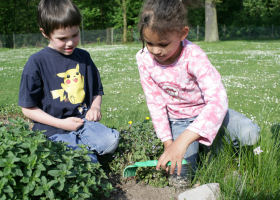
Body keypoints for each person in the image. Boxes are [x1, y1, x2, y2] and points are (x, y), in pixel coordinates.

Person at [136, 0, 260, 188]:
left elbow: (217, 100)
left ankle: (219, 150)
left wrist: (184, 140)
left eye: (163, 44)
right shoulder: (144, 59)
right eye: (149, 43)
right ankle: (205, 148)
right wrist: (169, 143)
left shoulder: (193, 56)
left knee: (250, 134)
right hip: (179, 121)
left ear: (183, 33)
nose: (155, 50)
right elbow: (155, 103)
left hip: (208, 115)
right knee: (180, 178)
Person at [18, 0, 119, 163]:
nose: (70, 42)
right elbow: (27, 108)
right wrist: (62, 124)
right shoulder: (37, 62)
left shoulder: (84, 57)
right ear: (45, 33)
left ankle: (83, 148)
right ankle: (85, 154)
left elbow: (97, 91)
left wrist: (95, 107)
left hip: (83, 123)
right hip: (52, 129)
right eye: (63, 38)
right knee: (87, 162)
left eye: (75, 35)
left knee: (111, 142)